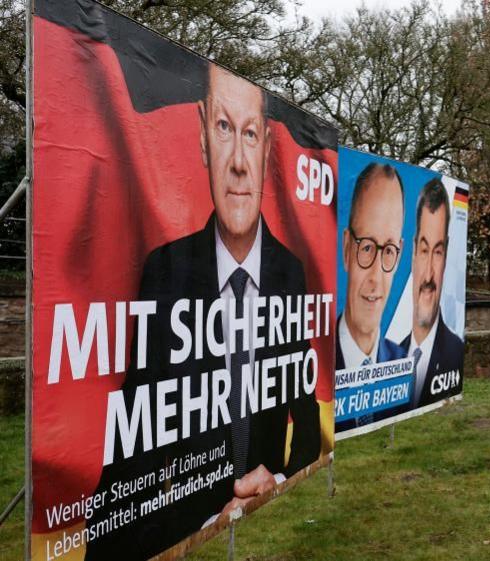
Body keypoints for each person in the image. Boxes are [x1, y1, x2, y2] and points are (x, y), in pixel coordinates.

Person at [86, 65, 320, 559]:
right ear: (202, 139)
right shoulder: (164, 271)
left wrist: (276, 477)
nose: (238, 160)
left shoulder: (290, 275)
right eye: (223, 128)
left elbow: (307, 423)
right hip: (182, 523)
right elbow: (136, 424)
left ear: (267, 150)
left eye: (251, 134)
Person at [334, 163, 407, 432]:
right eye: (366, 247)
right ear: (346, 250)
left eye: (388, 251)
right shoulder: (314, 363)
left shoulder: (402, 364)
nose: (376, 277)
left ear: (398, 255)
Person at [399, 178, 465, 409]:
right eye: (425, 250)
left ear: (446, 256)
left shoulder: (456, 353)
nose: (428, 275)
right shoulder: (391, 354)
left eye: (437, 252)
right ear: (413, 252)